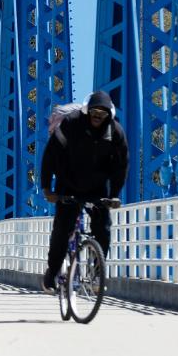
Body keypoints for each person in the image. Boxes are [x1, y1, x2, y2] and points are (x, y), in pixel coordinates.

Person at [40, 90, 128, 293]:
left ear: (110, 115)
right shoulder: (71, 124)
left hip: (97, 187)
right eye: (95, 111)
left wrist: (114, 194)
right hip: (68, 184)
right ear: (88, 111)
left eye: (103, 113)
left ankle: (97, 275)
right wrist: (47, 188)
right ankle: (52, 273)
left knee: (103, 228)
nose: (98, 116)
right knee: (62, 230)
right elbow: (50, 155)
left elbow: (121, 166)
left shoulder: (116, 133)